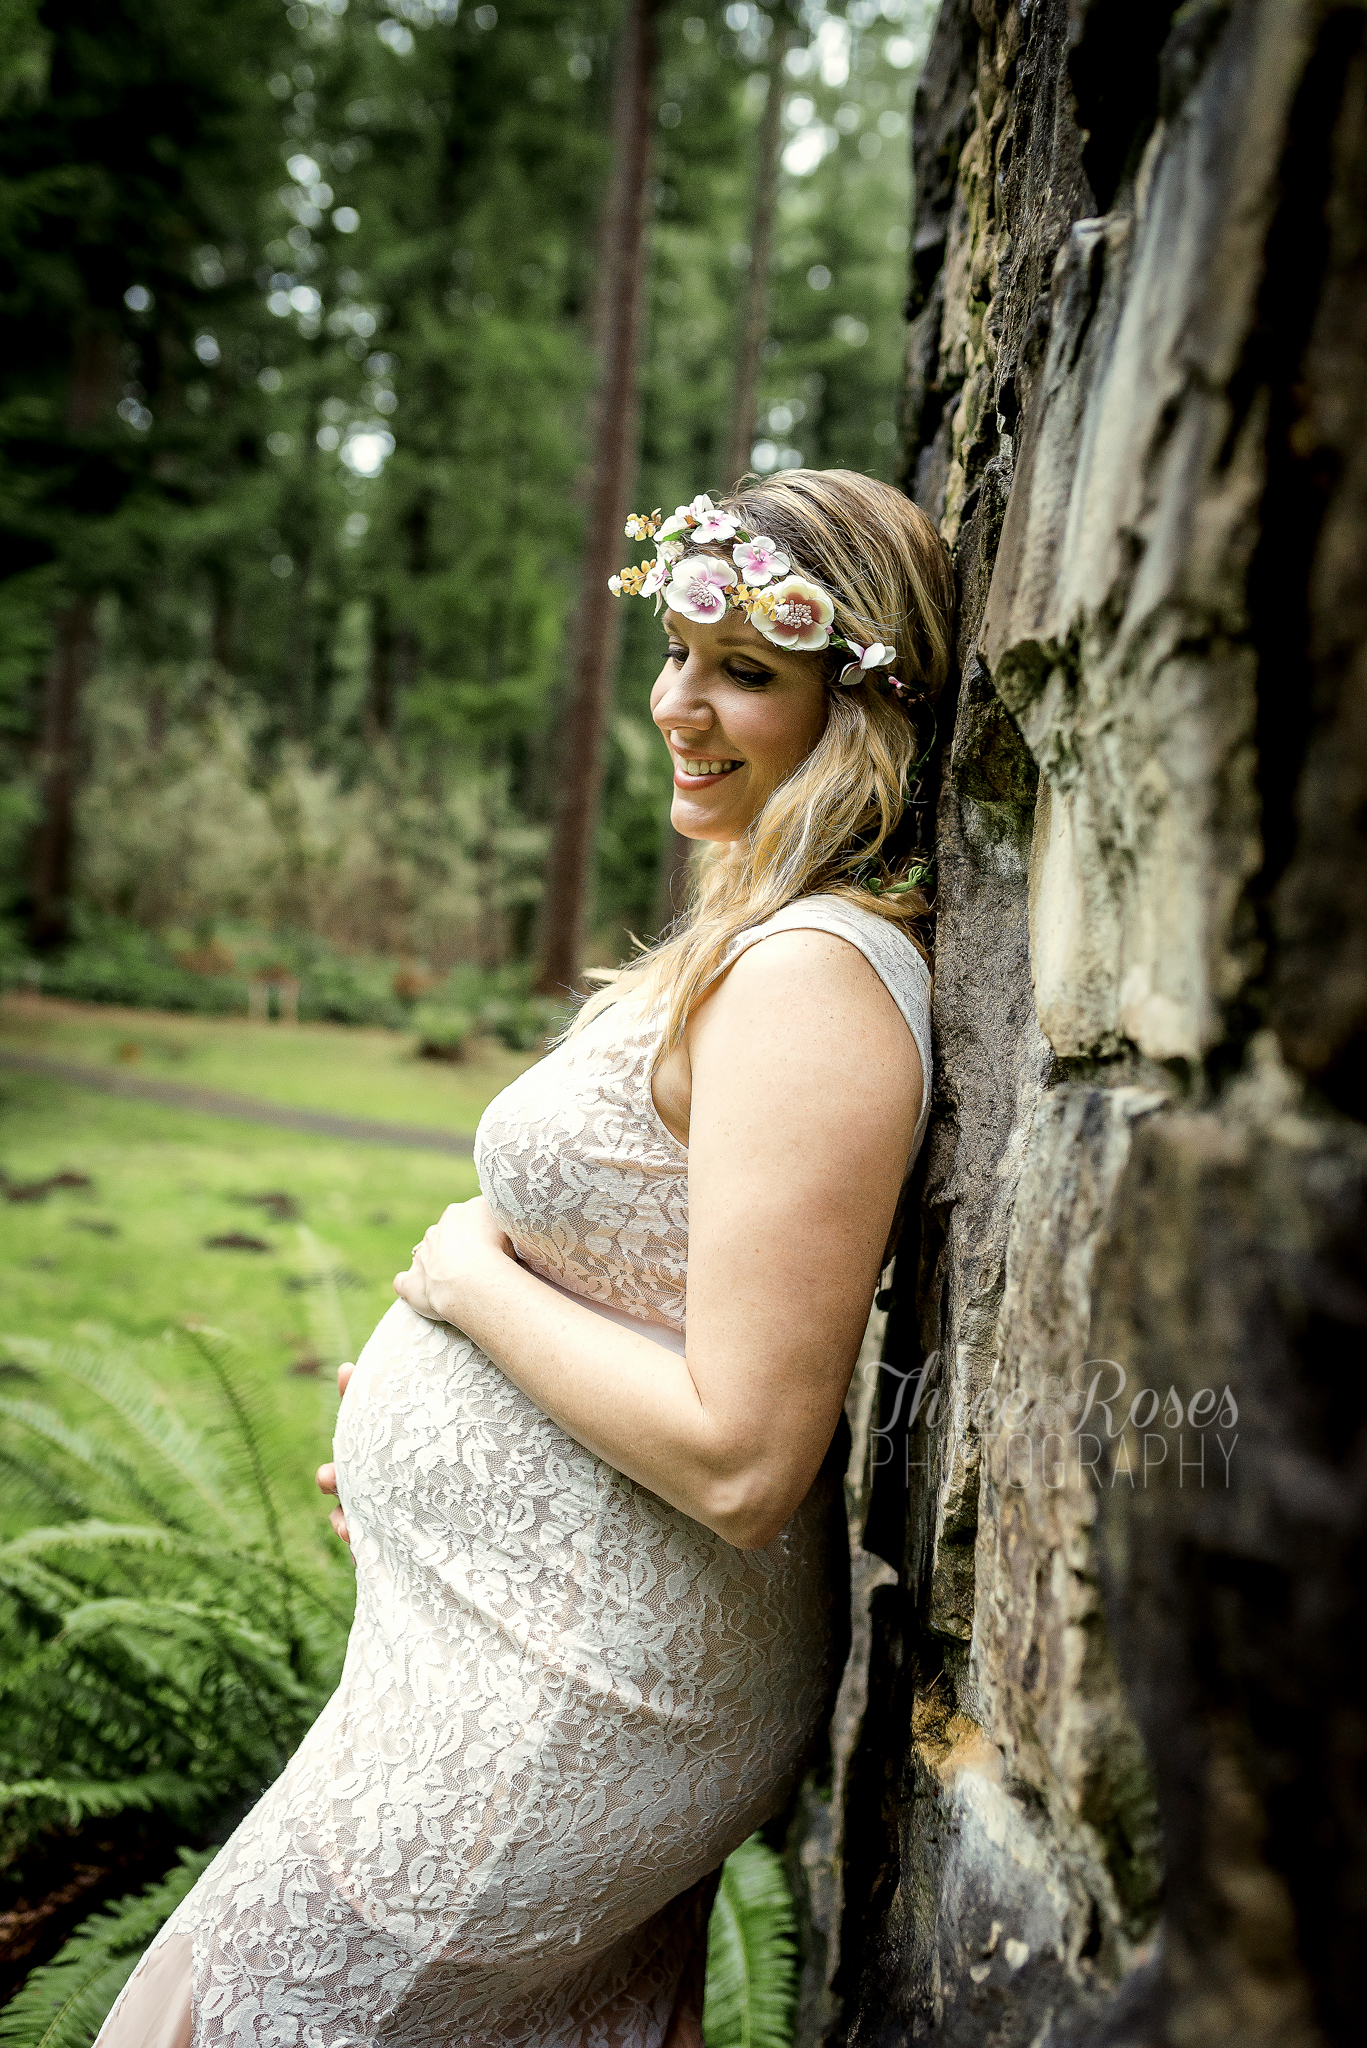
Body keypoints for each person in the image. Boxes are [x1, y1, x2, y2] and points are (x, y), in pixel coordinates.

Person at [94, 468, 953, 2048]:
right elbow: (651, 1287)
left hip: (590, 1685)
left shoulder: (814, 981)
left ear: (859, 711)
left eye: (746, 672)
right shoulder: (757, 942)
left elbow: (748, 1452)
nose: (679, 706)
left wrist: (468, 1287)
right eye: (677, 653)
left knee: (198, 2025)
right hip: (526, 1632)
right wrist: (453, 1479)